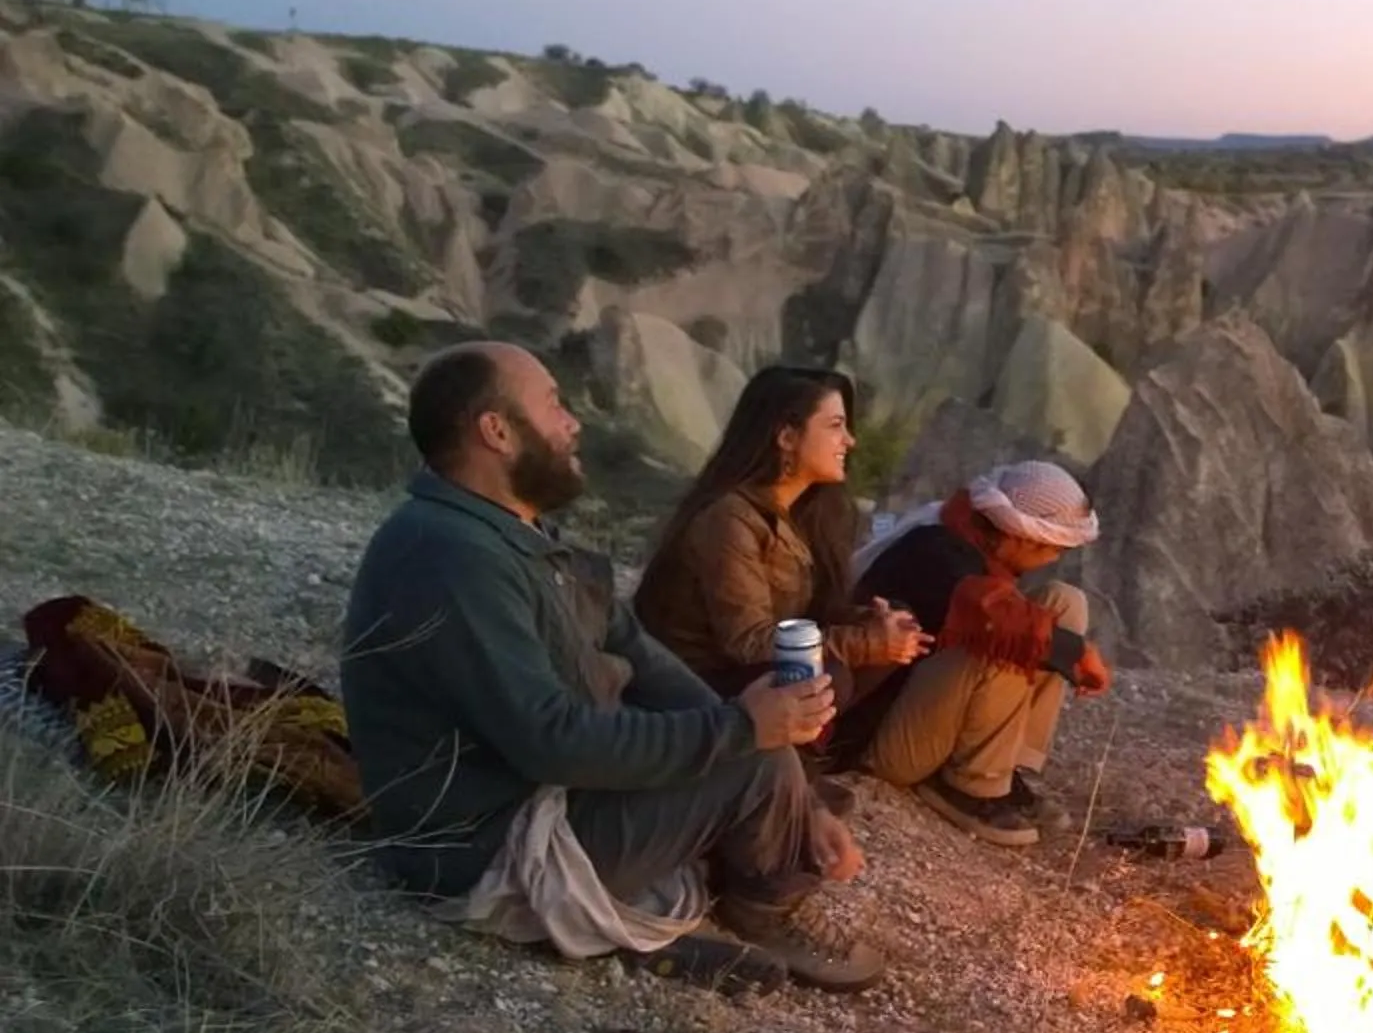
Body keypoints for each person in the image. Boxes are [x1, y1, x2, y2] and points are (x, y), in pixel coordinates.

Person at [341, 342, 881, 991]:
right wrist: (741, 733)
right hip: (491, 850)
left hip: (550, 800)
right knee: (750, 756)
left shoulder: (517, 537)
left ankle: (732, 863)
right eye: (553, 405)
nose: (573, 423)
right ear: (497, 430)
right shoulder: (452, 555)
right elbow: (553, 741)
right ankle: (763, 908)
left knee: (759, 742)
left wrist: (795, 784)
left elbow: (642, 657)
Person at [838, 461, 1110, 847]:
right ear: (1021, 537)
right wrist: (1076, 651)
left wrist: (1071, 647)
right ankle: (971, 784)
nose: (1053, 558)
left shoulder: (969, 536)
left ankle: (1006, 764)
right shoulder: (934, 549)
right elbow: (991, 614)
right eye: (1052, 548)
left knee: (1065, 603)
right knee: (1004, 640)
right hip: (881, 739)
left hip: (928, 708)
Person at [632, 364, 929, 700]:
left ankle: (848, 752)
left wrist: (872, 623)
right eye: (835, 426)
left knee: (901, 626)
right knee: (828, 674)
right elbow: (750, 643)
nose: (850, 440)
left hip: (754, 671)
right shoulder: (729, 518)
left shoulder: (806, 515)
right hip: (699, 690)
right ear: (787, 437)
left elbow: (812, 615)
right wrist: (865, 642)